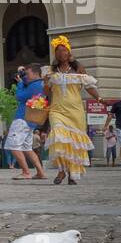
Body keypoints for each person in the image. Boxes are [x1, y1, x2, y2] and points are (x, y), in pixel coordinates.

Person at [42, 35, 101, 185]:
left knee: (74, 143)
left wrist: (99, 99)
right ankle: (61, 170)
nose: (61, 53)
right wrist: (46, 83)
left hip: (75, 110)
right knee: (58, 137)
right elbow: (48, 93)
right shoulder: (50, 71)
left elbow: (89, 87)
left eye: (63, 50)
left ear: (69, 52)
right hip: (57, 110)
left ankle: (72, 173)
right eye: (58, 51)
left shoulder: (78, 69)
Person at [4, 64, 47, 181]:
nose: (26, 76)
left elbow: (19, 96)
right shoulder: (41, 84)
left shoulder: (34, 85)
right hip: (30, 121)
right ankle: (40, 172)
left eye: (27, 73)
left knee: (13, 146)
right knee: (27, 148)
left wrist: (20, 83)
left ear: (34, 73)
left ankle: (26, 171)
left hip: (22, 118)